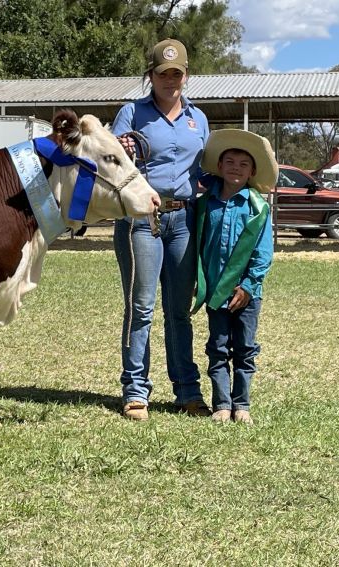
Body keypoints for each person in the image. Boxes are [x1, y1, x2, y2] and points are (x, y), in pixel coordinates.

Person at [111, 39, 210, 421]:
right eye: (163, 74)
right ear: (150, 76)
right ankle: (136, 391)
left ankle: (187, 391)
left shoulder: (197, 119)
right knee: (141, 308)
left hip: (184, 219)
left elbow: (202, 172)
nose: (171, 80)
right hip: (141, 220)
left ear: (186, 76)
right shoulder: (131, 113)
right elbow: (116, 161)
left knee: (179, 311)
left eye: (177, 74)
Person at [193, 129, 276, 425]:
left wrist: (250, 285)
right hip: (216, 291)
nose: (236, 168)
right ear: (219, 166)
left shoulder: (258, 208)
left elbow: (263, 253)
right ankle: (221, 405)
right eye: (230, 161)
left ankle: (242, 405)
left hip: (247, 295)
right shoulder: (204, 205)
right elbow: (198, 248)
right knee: (217, 348)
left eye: (243, 164)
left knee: (244, 349)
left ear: (252, 170)